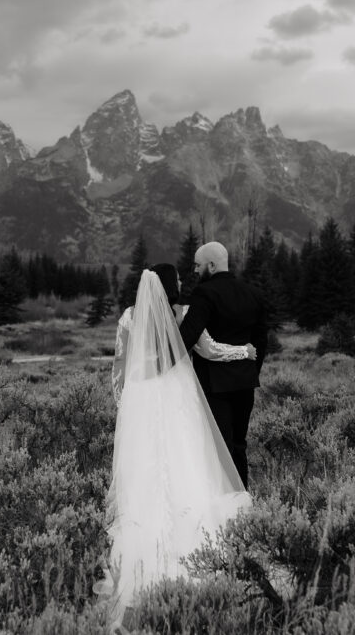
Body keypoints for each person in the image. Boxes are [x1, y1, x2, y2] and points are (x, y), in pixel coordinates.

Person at [101, 264, 253, 630]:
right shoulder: (182, 315)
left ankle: (143, 569)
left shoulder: (129, 317)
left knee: (144, 477)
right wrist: (244, 352)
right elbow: (210, 350)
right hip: (174, 398)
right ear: (169, 284)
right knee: (188, 465)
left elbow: (119, 366)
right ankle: (198, 562)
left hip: (141, 399)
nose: (183, 282)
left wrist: (125, 408)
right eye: (179, 279)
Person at [179, 241, 268, 490]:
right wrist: (250, 372)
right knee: (239, 445)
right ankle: (241, 499)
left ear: (211, 265)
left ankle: (223, 502)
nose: (195, 270)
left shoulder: (204, 293)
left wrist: (161, 364)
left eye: (198, 265)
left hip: (214, 385)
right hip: (245, 383)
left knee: (218, 446)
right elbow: (261, 342)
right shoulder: (253, 293)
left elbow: (187, 336)